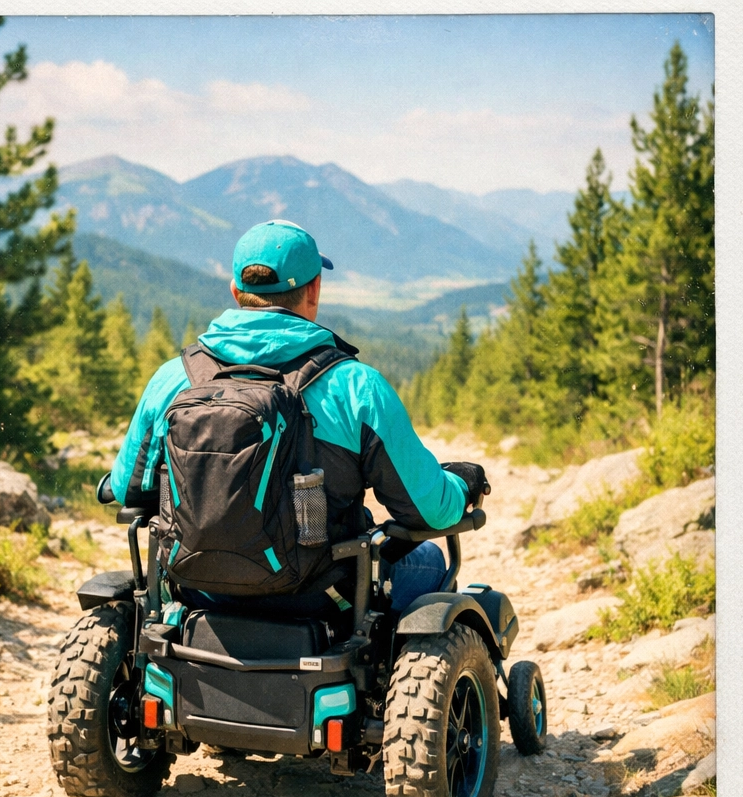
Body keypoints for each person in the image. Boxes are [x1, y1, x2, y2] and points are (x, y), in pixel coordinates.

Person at [107, 220, 487, 621]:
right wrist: (462, 484)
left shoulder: (174, 378)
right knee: (429, 559)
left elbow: (128, 488)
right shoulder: (356, 386)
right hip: (322, 598)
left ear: (236, 292)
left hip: (196, 590)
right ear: (314, 291)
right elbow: (428, 511)